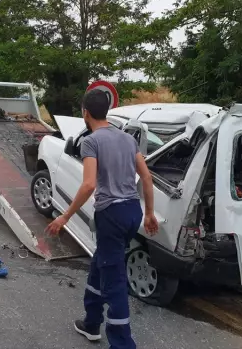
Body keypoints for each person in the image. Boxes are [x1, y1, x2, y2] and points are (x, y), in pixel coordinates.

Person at [46, 89, 158, 349]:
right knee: (102, 262)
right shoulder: (128, 139)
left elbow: (88, 185)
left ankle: (122, 344)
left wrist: (64, 216)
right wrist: (150, 213)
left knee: (114, 279)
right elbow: (147, 178)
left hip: (111, 215)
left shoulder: (91, 141)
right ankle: (92, 323)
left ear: (85, 112)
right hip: (132, 212)